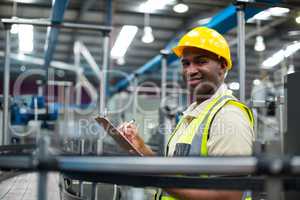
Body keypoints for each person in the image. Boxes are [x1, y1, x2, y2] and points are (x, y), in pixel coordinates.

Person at [119, 27, 255, 200]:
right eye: (186, 63)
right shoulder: (193, 115)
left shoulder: (228, 115)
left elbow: (227, 196)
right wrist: (141, 148)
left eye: (201, 61)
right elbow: (174, 173)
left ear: (222, 66)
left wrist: (154, 178)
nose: (190, 71)